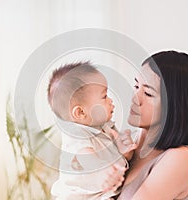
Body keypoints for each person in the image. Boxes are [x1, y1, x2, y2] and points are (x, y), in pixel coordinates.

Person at [116, 50, 188, 199]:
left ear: (175, 106)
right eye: (136, 87)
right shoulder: (127, 146)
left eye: (148, 94)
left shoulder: (181, 158)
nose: (135, 99)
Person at [47, 61, 136, 199]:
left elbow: (122, 158)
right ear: (81, 113)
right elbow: (85, 156)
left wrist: (124, 151)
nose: (110, 101)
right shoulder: (76, 135)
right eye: (104, 97)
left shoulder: (105, 128)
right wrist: (103, 171)